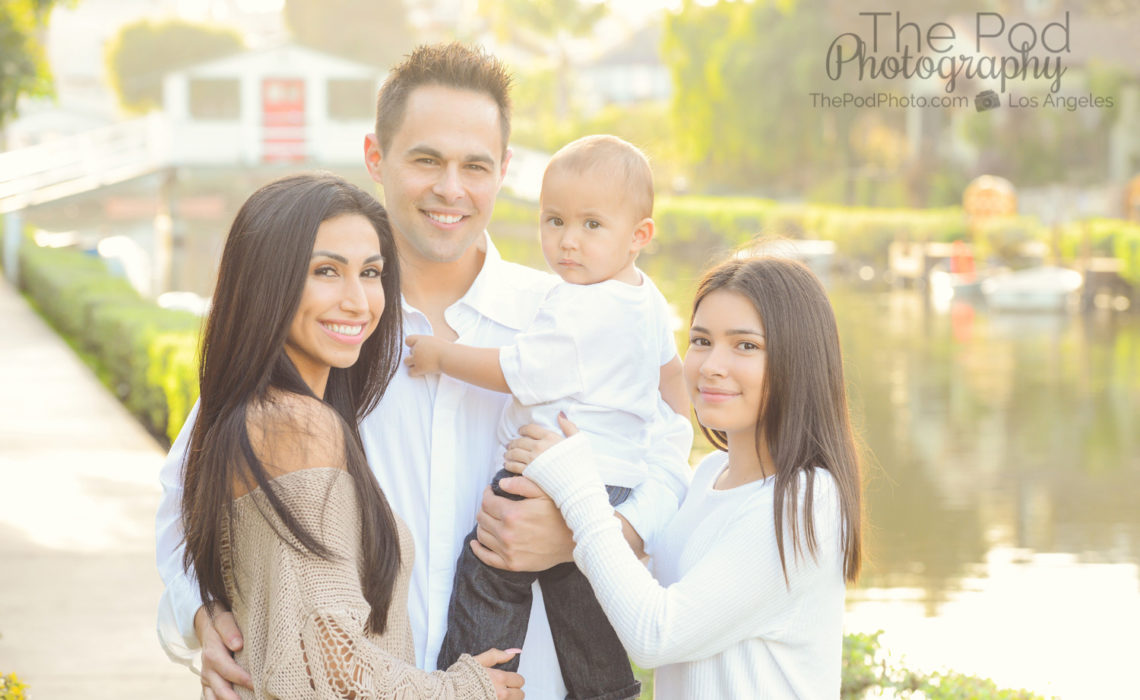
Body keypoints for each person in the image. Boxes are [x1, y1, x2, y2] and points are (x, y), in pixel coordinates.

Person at [155, 43, 693, 700]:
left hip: (530, 685)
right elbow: (189, 494)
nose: (451, 189)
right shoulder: (323, 322)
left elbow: (667, 446)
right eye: (427, 160)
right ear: (376, 159)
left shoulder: (571, 314)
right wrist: (202, 615)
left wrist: (603, 534)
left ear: (504, 171)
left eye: (475, 165)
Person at [179, 171, 520, 697]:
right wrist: (468, 690)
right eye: (326, 271)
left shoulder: (253, 415)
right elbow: (335, 670)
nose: (359, 301)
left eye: (371, 272)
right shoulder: (297, 425)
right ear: (268, 281)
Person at [405, 135, 688, 700]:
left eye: (590, 225)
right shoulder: (647, 298)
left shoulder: (578, 306)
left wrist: (441, 355)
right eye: (554, 221)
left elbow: (517, 371)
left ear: (639, 236)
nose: (567, 242)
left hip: (548, 476)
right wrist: (673, 426)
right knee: (583, 599)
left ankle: (474, 679)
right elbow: (672, 376)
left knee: (490, 574)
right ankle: (608, 689)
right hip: (616, 486)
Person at [505, 255, 864, 698]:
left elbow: (655, 633)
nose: (712, 364)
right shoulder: (712, 473)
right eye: (701, 340)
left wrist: (577, 483)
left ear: (800, 360)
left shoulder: (804, 500)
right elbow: (634, 588)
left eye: (746, 346)